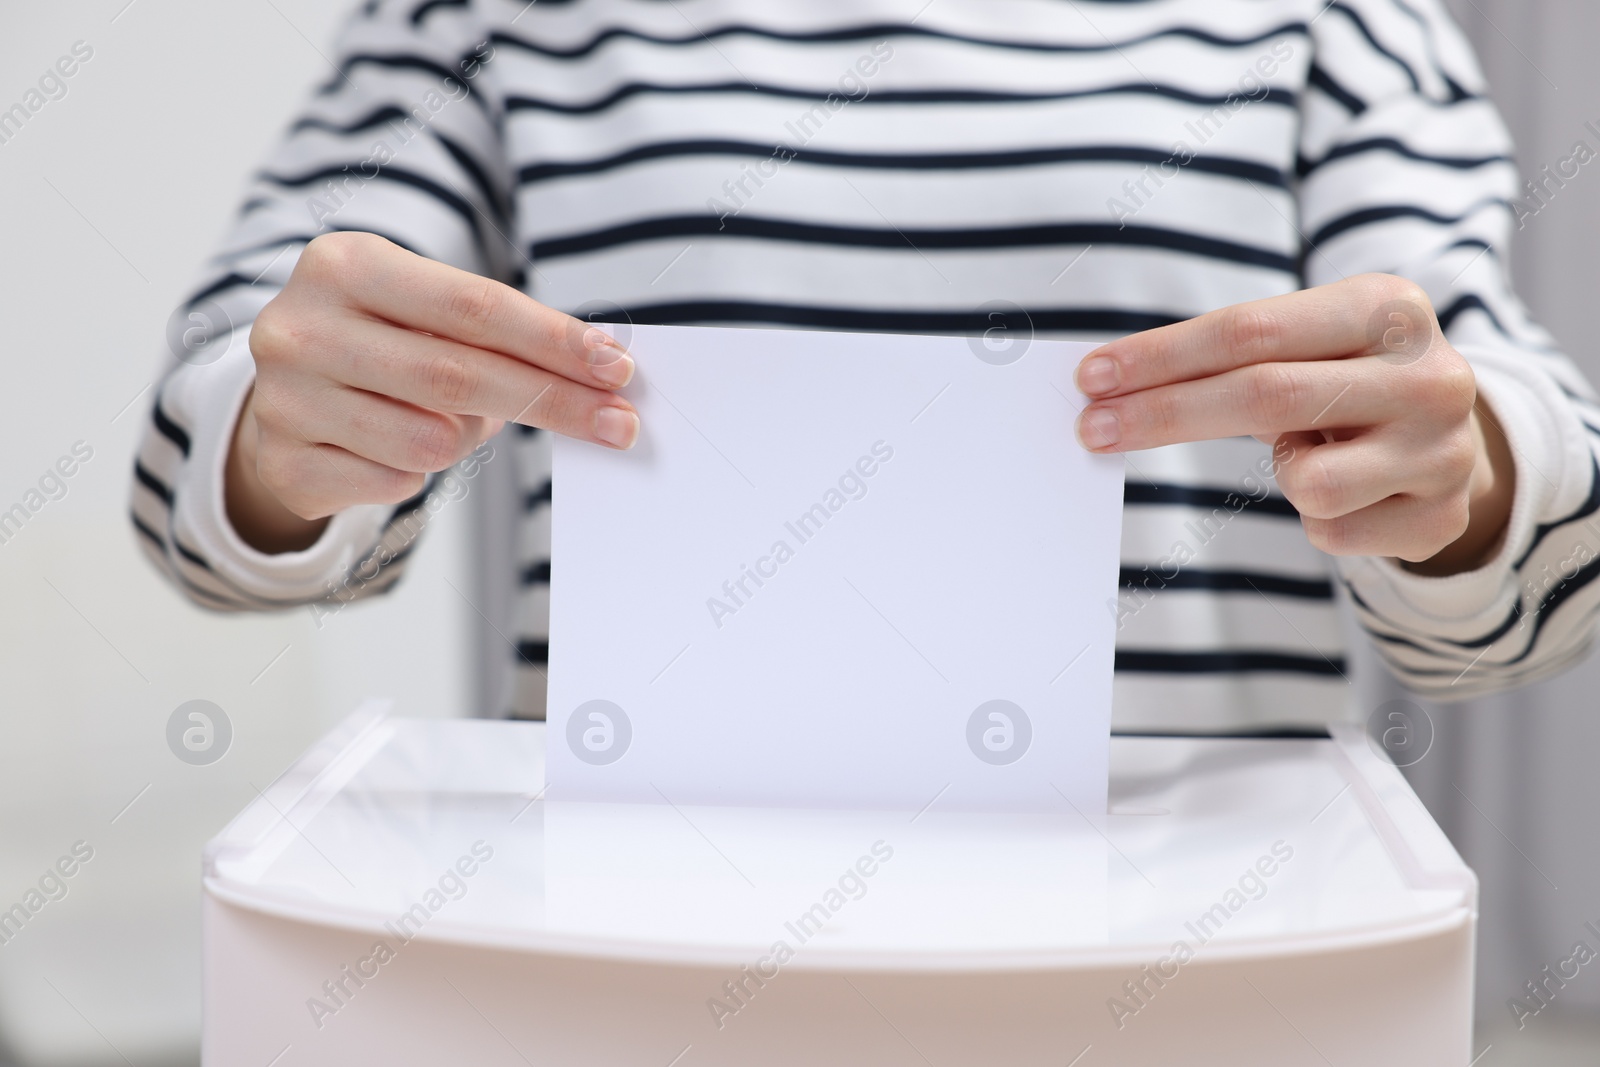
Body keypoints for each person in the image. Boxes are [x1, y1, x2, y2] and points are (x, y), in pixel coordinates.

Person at [133, 0, 1600, 728]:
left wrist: (1463, 474)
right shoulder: (487, 17)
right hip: (621, 953)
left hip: (1187, 950)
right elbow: (222, 447)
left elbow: (1534, 523)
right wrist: (276, 439)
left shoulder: (1335, 18)